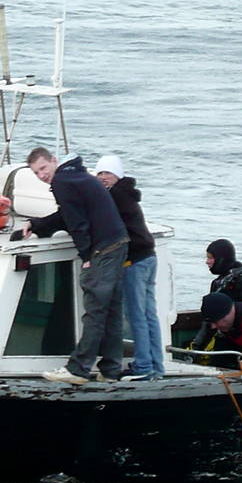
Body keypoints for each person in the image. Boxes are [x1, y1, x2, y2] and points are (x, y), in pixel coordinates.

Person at [20, 147, 129, 384]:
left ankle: (78, 369)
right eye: (36, 173)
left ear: (54, 162)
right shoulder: (77, 175)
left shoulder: (62, 181)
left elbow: (76, 223)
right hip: (118, 243)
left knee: (96, 312)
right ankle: (111, 370)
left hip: (103, 249)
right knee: (111, 311)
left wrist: (86, 256)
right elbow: (67, 214)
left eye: (43, 168)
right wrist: (36, 224)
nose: (41, 175)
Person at [95, 154, 164, 380]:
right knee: (149, 315)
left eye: (108, 173)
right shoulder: (127, 193)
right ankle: (156, 366)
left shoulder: (114, 196)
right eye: (100, 173)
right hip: (149, 257)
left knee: (136, 316)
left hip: (134, 261)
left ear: (118, 175)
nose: (103, 177)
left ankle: (143, 367)